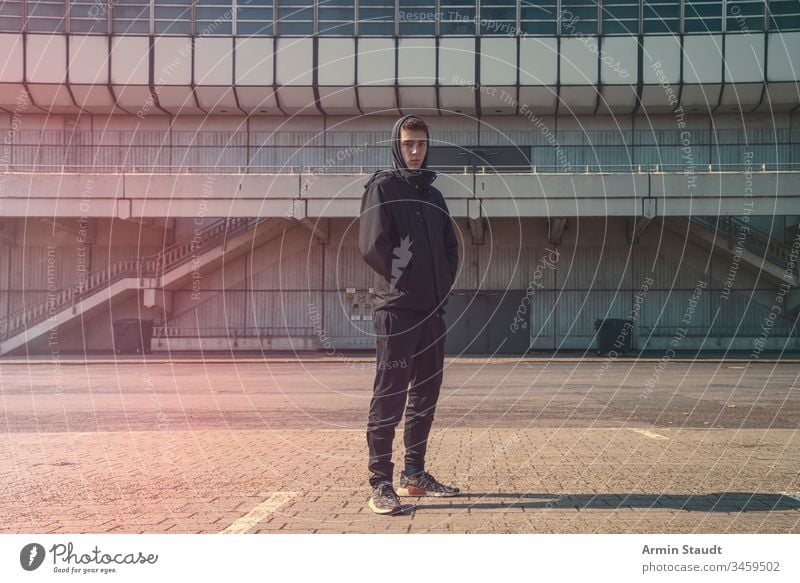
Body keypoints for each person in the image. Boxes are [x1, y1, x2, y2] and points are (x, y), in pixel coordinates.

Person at [358, 115, 460, 515]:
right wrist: (406, 281)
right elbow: (372, 245)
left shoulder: (434, 197)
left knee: (425, 396)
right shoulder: (384, 187)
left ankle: (414, 475)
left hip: (432, 312)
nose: (414, 151)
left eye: (420, 144)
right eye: (407, 144)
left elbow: (451, 248)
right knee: (390, 395)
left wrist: (439, 285)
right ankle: (381, 482)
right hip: (397, 310)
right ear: (395, 146)